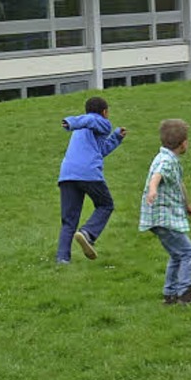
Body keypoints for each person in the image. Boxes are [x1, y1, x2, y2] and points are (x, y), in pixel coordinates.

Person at [56, 96, 126, 263]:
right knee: (106, 205)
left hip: (67, 174)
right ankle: (88, 233)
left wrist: (116, 137)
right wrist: (71, 121)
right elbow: (92, 119)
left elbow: (100, 150)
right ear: (105, 112)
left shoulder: (83, 128)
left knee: (69, 220)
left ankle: (62, 259)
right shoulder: (98, 121)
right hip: (88, 173)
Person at [139, 118, 191, 305]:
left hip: (161, 217)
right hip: (163, 217)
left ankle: (170, 294)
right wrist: (152, 189)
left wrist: (187, 205)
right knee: (190, 253)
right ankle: (186, 293)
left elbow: (178, 183)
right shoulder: (166, 160)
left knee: (177, 254)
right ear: (183, 143)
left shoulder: (168, 158)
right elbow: (158, 174)